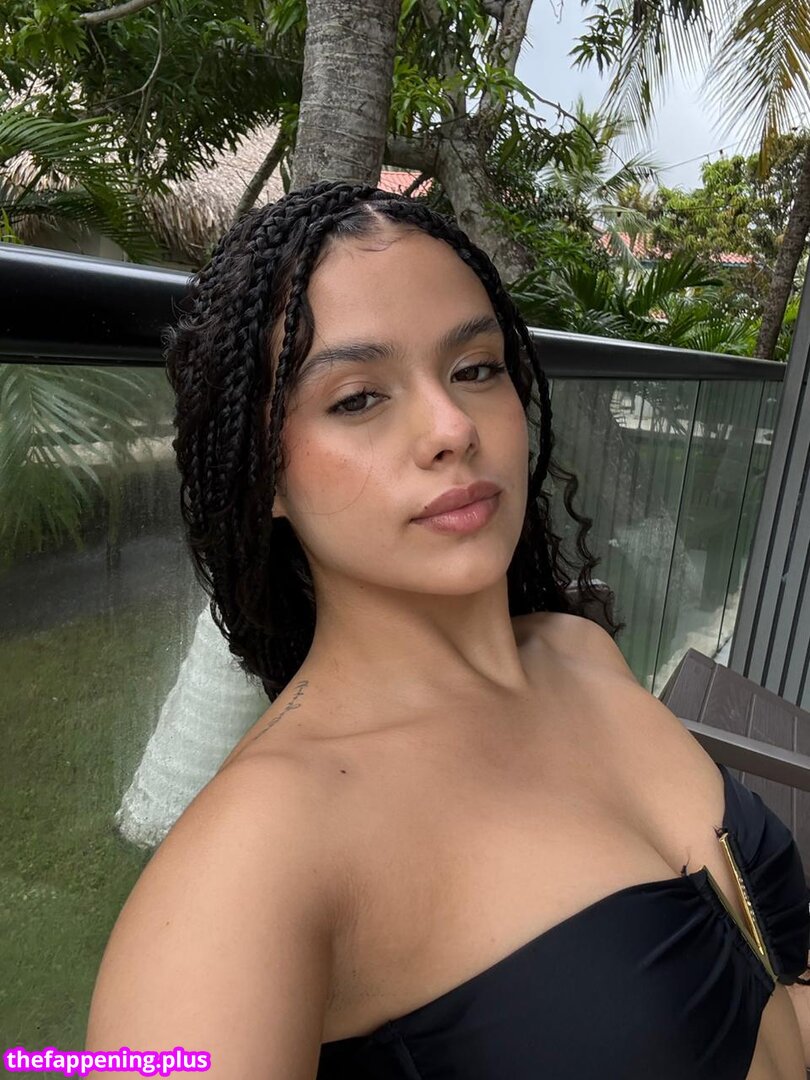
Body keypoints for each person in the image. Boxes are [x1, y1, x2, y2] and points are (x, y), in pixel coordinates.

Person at [85, 180, 810, 1078]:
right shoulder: (255, 863)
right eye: (357, 397)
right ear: (262, 471)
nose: (452, 428)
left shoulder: (577, 652)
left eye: (475, 369)